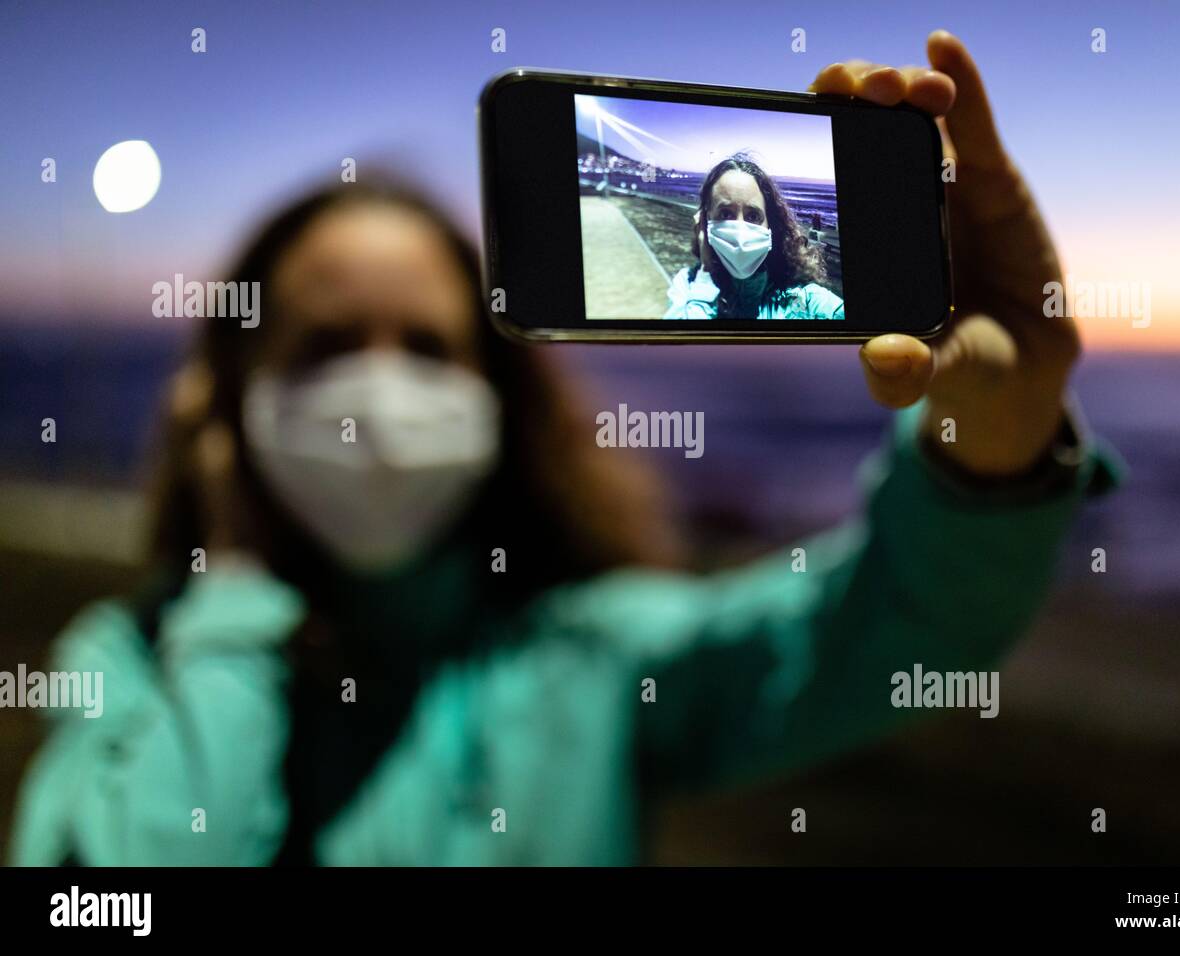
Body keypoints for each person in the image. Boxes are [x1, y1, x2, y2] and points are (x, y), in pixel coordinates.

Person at [10, 31, 1117, 866]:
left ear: (497, 397)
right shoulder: (129, 663)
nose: (381, 390)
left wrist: (996, 429)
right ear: (228, 404)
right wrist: (232, 606)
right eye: (326, 347)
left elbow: (890, 628)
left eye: (432, 348)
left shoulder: (597, 653)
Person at [663, 154, 845, 320]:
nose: (740, 228)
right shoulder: (686, 285)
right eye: (726, 214)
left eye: (753, 216)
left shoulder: (806, 302)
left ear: (771, 225)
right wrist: (705, 273)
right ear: (704, 221)